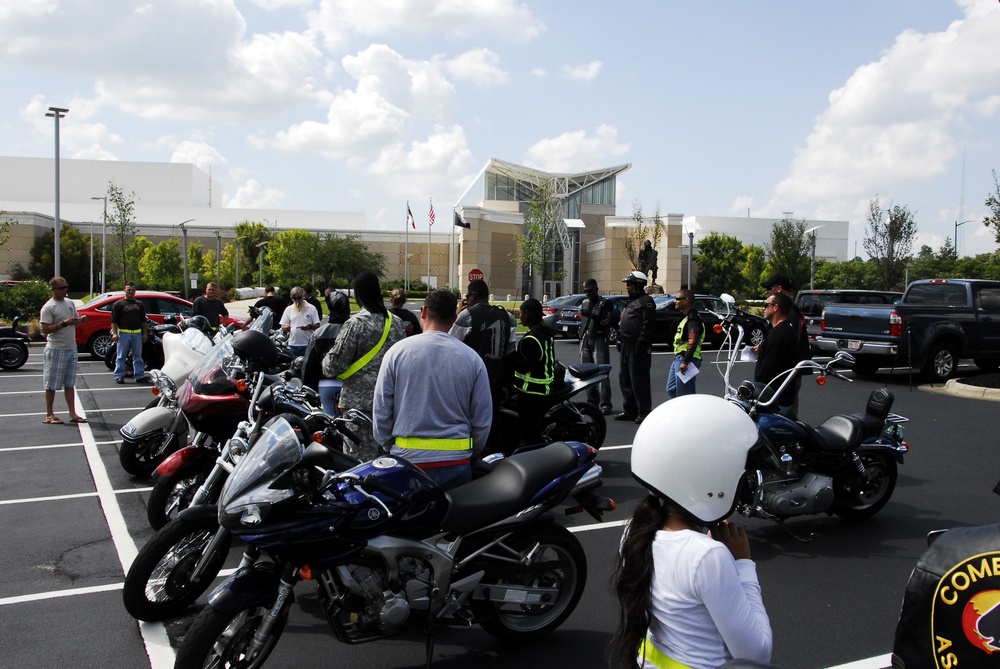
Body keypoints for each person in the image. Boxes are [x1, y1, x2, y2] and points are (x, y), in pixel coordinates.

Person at [610, 395, 772, 669]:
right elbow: (756, 654)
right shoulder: (707, 556)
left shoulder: (635, 530)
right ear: (710, 476)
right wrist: (744, 564)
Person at [373, 289, 492, 490]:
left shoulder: (397, 353)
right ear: (454, 318)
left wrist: (389, 445)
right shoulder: (472, 359)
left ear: (424, 311)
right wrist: (472, 451)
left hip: (407, 462)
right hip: (457, 463)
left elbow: (381, 411)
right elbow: (482, 419)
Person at [323, 272, 405, 460]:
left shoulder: (356, 323)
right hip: (390, 404)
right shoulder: (397, 323)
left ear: (358, 295)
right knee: (387, 463)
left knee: (359, 466)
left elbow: (332, 367)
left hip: (359, 409)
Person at [449, 279, 517, 439]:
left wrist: (458, 314)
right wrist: (507, 384)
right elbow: (510, 353)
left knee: (469, 423)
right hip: (496, 382)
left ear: (472, 295)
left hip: (469, 382)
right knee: (493, 422)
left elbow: (450, 346)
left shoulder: (466, 316)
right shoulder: (508, 317)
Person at [39, 276, 88, 424]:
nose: (64, 290)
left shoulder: (69, 303)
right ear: (53, 289)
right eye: (61, 288)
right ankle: (49, 414)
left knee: (69, 383)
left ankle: (73, 413)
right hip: (56, 349)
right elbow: (45, 329)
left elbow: (75, 320)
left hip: (70, 348)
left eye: (66, 287)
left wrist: (79, 321)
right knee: (51, 384)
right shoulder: (49, 307)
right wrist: (64, 324)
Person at [512, 298, 559, 445]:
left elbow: (526, 365)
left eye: (521, 313)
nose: (520, 316)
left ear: (527, 314)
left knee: (529, 432)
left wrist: (511, 361)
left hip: (531, 392)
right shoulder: (545, 332)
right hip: (545, 386)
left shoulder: (531, 338)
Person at [616, 271, 655, 424]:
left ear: (639, 285)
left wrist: (641, 342)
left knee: (639, 380)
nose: (627, 287)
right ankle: (629, 409)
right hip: (625, 345)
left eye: (630, 284)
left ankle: (644, 411)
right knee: (624, 378)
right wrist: (619, 338)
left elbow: (648, 325)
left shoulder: (647, 301)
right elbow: (622, 321)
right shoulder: (631, 302)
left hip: (637, 346)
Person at [754, 292, 803, 417]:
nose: (763, 308)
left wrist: (756, 392)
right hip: (779, 396)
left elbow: (769, 368)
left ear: (775, 307)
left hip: (775, 398)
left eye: (766, 305)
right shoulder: (783, 330)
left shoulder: (780, 334)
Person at [579, 279, 614, 415]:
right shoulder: (585, 302)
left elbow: (604, 320)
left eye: (590, 291)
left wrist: (591, 314)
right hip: (585, 337)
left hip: (599, 337)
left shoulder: (605, 303)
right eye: (585, 291)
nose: (587, 294)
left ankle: (605, 403)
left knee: (602, 371)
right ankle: (591, 401)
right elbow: (583, 321)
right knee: (587, 372)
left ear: (596, 289)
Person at [666, 289, 704, 398]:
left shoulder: (693, 319)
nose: (675, 301)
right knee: (671, 389)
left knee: (685, 394)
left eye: (678, 299)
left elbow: (693, 338)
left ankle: (690, 414)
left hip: (687, 359)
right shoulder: (685, 317)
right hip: (679, 358)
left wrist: (686, 361)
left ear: (686, 300)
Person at [111, 282, 149, 384]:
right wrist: (115, 333)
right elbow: (114, 321)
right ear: (124, 290)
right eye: (129, 290)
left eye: (133, 290)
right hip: (124, 333)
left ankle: (139, 375)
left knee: (138, 356)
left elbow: (143, 321)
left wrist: (144, 334)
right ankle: (119, 375)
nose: (131, 292)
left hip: (137, 334)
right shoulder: (118, 304)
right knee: (121, 356)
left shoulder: (139, 304)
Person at [279, 286, 322, 356]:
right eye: (294, 298)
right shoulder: (288, 309)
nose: (297, 300)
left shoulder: (311, 308)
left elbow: (317, 325)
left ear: (303, 296)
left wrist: (309, 326)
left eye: (299, 298)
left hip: (307, 343)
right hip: (293, 344)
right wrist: (286, 328)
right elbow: (282, 325)